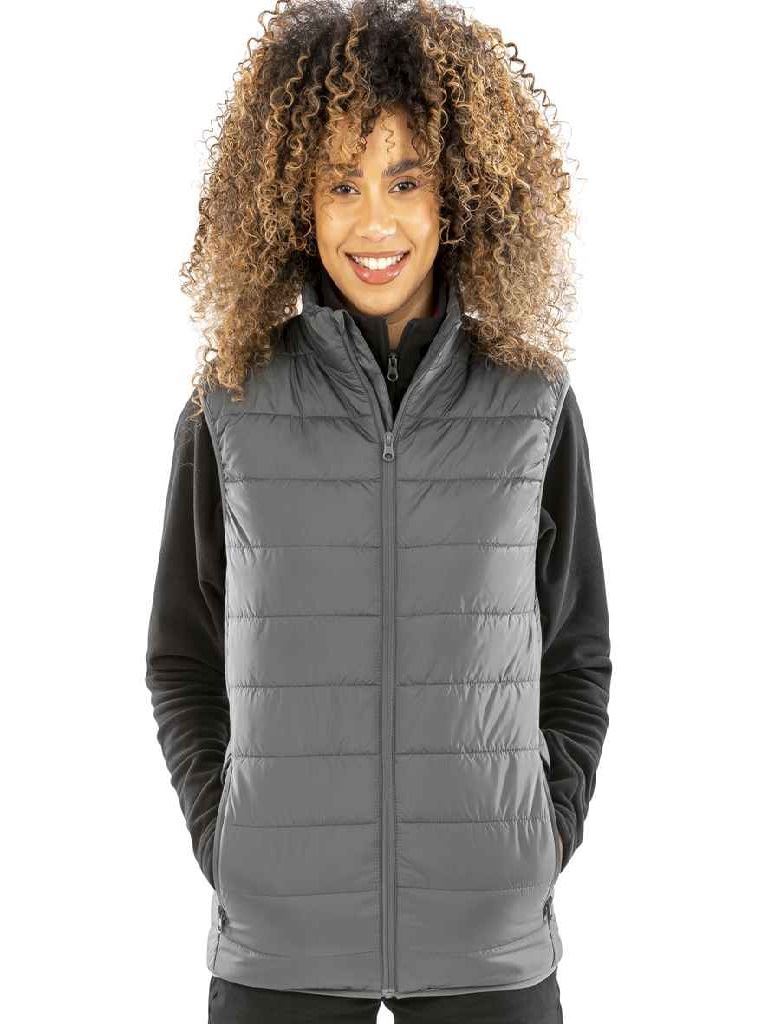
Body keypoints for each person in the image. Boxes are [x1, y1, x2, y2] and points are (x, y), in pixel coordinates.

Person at [144, 2, 612, 1021]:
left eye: (406, 182)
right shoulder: (231, 402)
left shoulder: (532, 402)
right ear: (292, 200)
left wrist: (543, 835)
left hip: (488, 944)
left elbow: (577, 655)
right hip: (282, 949)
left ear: (460, 192)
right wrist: (230, 843)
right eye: (340, 184)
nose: (374, 225)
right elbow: (182, 655)